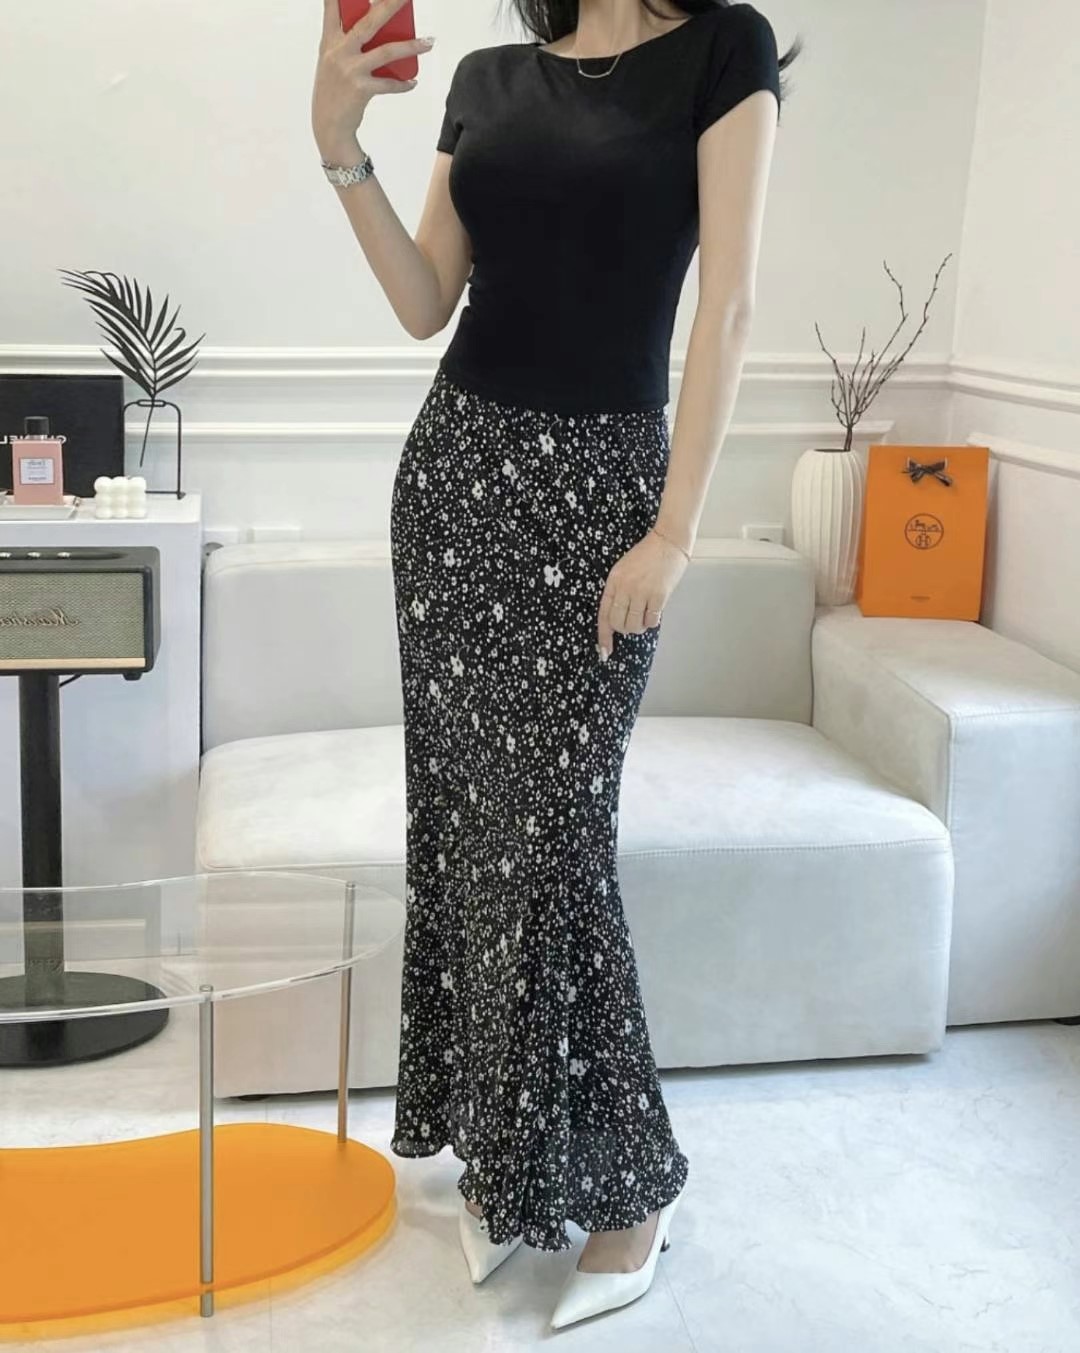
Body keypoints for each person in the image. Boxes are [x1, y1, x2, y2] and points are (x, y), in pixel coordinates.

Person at [312, 0, 796, 1329]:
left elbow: (728, 305)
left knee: (558, 840)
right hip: (457, 482)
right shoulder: (484, 75)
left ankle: (632, 1193)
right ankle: (503, 1159)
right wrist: (338, 143)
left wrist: (677, 530)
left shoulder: (724, 49)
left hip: (604, 498)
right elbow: (426, 302)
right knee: (470, 835)